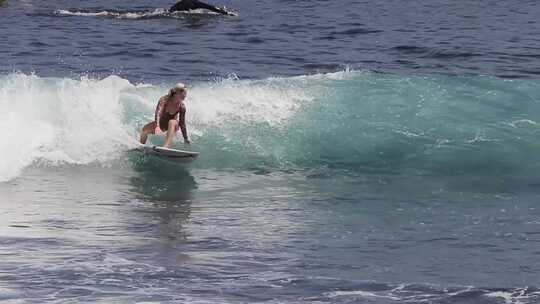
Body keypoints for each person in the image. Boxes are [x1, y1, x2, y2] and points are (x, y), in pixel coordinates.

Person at [140, 83, 191, 148]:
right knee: (144, 130)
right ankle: (141, 146)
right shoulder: (164, 100)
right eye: (184, 93)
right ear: (177, 92)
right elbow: (158, 113)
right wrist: (157, 126)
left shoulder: (182, 107)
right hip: (162, 124)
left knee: (172, 121)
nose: (185, 96)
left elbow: (182, 123)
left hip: (173, 126)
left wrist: (185, 138)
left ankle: (166, 146)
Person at [169, 0, 233, 15]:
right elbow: (211, 7)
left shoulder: (179, 3)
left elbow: (169, 11)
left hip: (178, 13)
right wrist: (225, 13)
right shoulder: (196, 3)